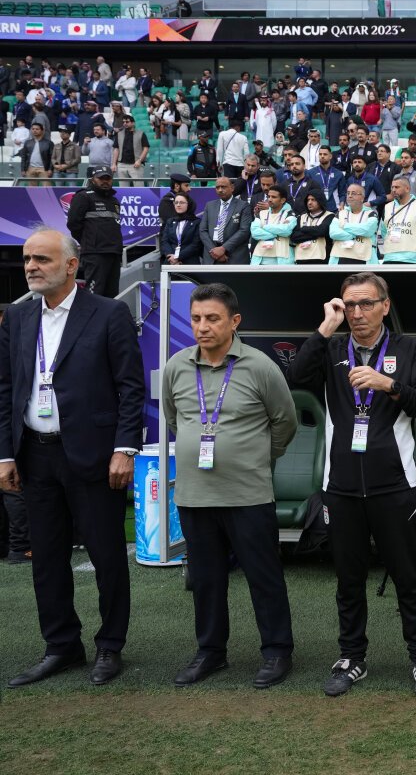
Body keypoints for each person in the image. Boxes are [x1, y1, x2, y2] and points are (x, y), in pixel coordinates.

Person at [1, 228, 144, 688]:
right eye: (27, 259)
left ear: (71, 265)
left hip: (95, 457)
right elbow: (6, 390)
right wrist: (4, 456)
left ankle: (110, 645)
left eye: (41, 259)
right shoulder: (17, 317)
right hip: (34, 455)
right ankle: (61, 646)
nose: (30, 266)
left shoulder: (109, 313)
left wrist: (124, 448)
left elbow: (130, 387)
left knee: (107, 555)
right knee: (46, 558)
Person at [289, 272, 416, 698]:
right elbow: (296, 379)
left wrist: (388, 384)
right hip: (340, 488)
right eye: (349, 305)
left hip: (394, 485)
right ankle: (352, 657)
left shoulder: (409, 349)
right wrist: (325, 326)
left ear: (385, 306)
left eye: (366, 304)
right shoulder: (332, 348)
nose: (357, 313)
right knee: (348, 579)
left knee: (408, 577)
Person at [162, 283, 297, 689]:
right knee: (205, 579)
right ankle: (210, 652)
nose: (202, 327)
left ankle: (277, 651)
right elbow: (174, 419)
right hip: (195, 495)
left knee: (263, 576)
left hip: (248, 494)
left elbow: (285, 421)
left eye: (212, 318)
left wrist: (257, 459)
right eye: (196, 319)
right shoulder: (177, 366)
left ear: (235, 321)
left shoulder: (260, 366)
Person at [65, 166, 123, 298]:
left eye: (108, 178)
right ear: (92, 179)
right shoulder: (83, 196)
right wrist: (88, 241)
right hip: (95, 253)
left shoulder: (114, 200)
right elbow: (73, 224)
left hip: (114, 252)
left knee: (112, 295)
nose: (105, 181)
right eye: (101, 178)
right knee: (94, 293)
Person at [380, 175, 416, 264]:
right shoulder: (387, 207)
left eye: (397, 187)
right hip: (389, 257)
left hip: (411, 259)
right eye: (392, 187)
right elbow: (384, 231)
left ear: (407, 189)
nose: (393, 190)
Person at [199, 177, 254, 265]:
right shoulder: (209, 205)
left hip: (235, 256)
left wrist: (223, 248)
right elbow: (202, 230)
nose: (220, 190)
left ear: (232, 188)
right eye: (217, 187)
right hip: (212, 257)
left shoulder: (243, 205)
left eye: (223, 187)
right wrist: (214, 251)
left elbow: (244, 230)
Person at [328, 184, 380, 266]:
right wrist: (355, 235)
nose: (350, 196)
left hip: (363, 259)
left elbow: (367, 230)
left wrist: (343, 226)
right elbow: (333, 233)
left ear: (362, 198)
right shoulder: (340, 213)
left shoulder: (371, 214)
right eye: (348, 193)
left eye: (353, 193)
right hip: (341, 258)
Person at [250, 185, 298, 265]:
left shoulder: (290, 213)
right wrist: (277, 234)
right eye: (268, 196)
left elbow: (286, 231)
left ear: (282, 200)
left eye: (274, 197)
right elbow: (255, 233)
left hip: (282, 259)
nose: (270, 199)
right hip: (260, 259)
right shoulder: (261, 213)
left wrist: (264, 227)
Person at [160, 193, 202, 265]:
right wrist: (170, 256)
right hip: (170, 262)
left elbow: (195, 244)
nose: (178, 205)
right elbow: (165, 241)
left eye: (181, 202)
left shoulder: (197, 222)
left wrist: (177, 257)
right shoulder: (170, 221)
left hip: (189, 262)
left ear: (189, 204)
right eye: (176, 203)